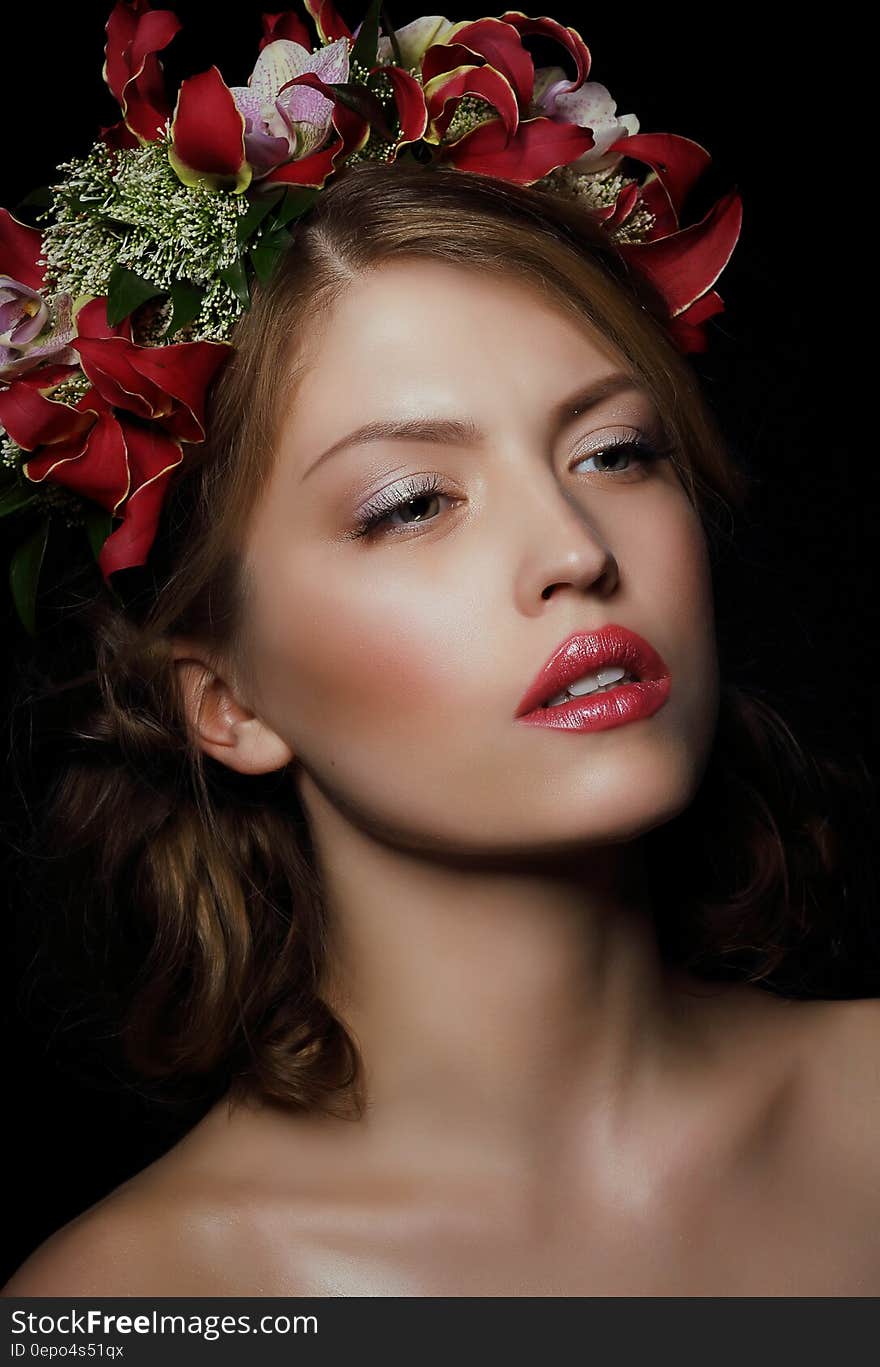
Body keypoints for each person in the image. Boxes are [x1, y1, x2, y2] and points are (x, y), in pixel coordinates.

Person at [3, 5, 878, 1298]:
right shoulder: (135, 1311)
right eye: (413, 500)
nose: (576, 546)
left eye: (617, 451)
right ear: (225, 699)